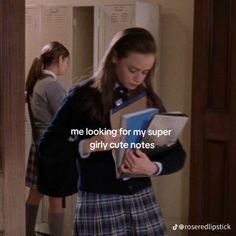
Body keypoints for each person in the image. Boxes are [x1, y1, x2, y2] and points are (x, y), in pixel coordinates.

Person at [39, 28, 186, 236]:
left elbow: (178, 155)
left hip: (142, 198)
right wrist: (89, 144)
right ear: (115, 57)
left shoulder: (147, 98)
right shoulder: (84, 95)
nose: (138, 78)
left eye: (145, 72)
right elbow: (48, 147)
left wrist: (152, 167)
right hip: (99, 203)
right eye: (133, 70)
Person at [25, 41, 70, 236]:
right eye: (66, 61)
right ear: (60, 59)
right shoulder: (51, 85)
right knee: (56, 198)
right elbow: (67, 117)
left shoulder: (37, 81)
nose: (66, 66)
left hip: (39, 145)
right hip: (53, 149)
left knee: (35, 193)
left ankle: (26, 233)